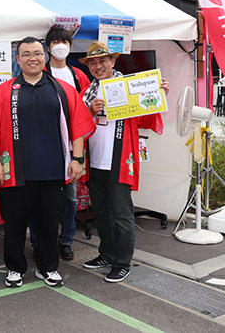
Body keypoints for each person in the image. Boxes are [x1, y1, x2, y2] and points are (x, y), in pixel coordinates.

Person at [0, 37, 95, 288]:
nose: (32, 58)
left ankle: (48, 267)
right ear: (18, 60)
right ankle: (15, 268)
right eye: (26, 54)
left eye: (37, 53)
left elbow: (79, 127)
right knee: (14, 224)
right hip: (14, 171)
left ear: (45, 56)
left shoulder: (62, 89)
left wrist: (77, 159)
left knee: (49, 224)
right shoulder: (4, 91)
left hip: (52, 170)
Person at [79, 41, 168, 283]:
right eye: (93, 63)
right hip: (95, 160)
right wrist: (89, 111)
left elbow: (145, 119)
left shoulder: (130, 88)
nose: (98, 66)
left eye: (102, 61)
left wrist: (156, 95)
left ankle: (122, 261)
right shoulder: (88, 91)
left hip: (118, 160)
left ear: (113, 62)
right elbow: (76, 125)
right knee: (101, 212)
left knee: (121, 213)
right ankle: (106, 254)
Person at [31, 26, 91, 261]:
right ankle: (38, 241)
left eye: (64, 41)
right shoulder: (39, 72)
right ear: (47, 47)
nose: (60, 46)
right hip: (42, 146)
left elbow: (84, 112)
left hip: (71, 148)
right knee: (39, 198)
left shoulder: (78, 75)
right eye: (55, 42)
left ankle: (65, 240)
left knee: (70, 198)